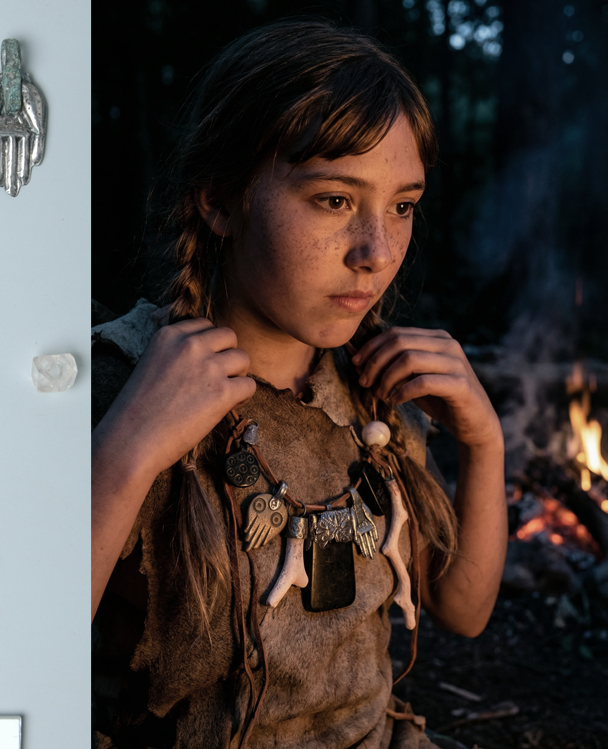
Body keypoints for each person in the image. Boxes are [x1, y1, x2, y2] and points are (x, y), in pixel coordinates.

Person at [91, 21, 507, 749]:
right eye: (334, 200)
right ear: (219, 199)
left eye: (401, 206)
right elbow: (13, 653)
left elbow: (463, 609)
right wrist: (120, 458)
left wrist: (483, 441)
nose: (375, 254)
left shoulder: (372, 391)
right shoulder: (120, 384)